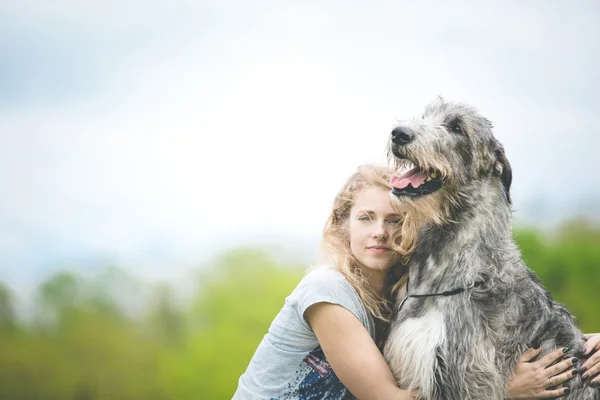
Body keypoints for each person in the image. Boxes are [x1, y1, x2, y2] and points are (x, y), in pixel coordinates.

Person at [233, 165, 600, 400]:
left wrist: (585, 346)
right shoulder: (326, 292)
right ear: (344, 225)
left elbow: (493, 336)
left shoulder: (404, 295)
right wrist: (504, 390)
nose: (380, 232)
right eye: (365, 218)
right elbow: (389, 399)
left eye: (393, 220)